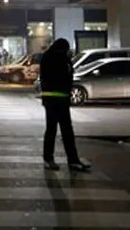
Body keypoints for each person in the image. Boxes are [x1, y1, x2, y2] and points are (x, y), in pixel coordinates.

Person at [39, 38, 90, 172]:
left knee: (67, 131)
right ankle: (48, 159)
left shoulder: (63, 58)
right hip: (52, 100)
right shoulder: (50, 58)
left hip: (62, 100)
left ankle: (73, 160)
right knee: (52, 130)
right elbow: (53, 77)